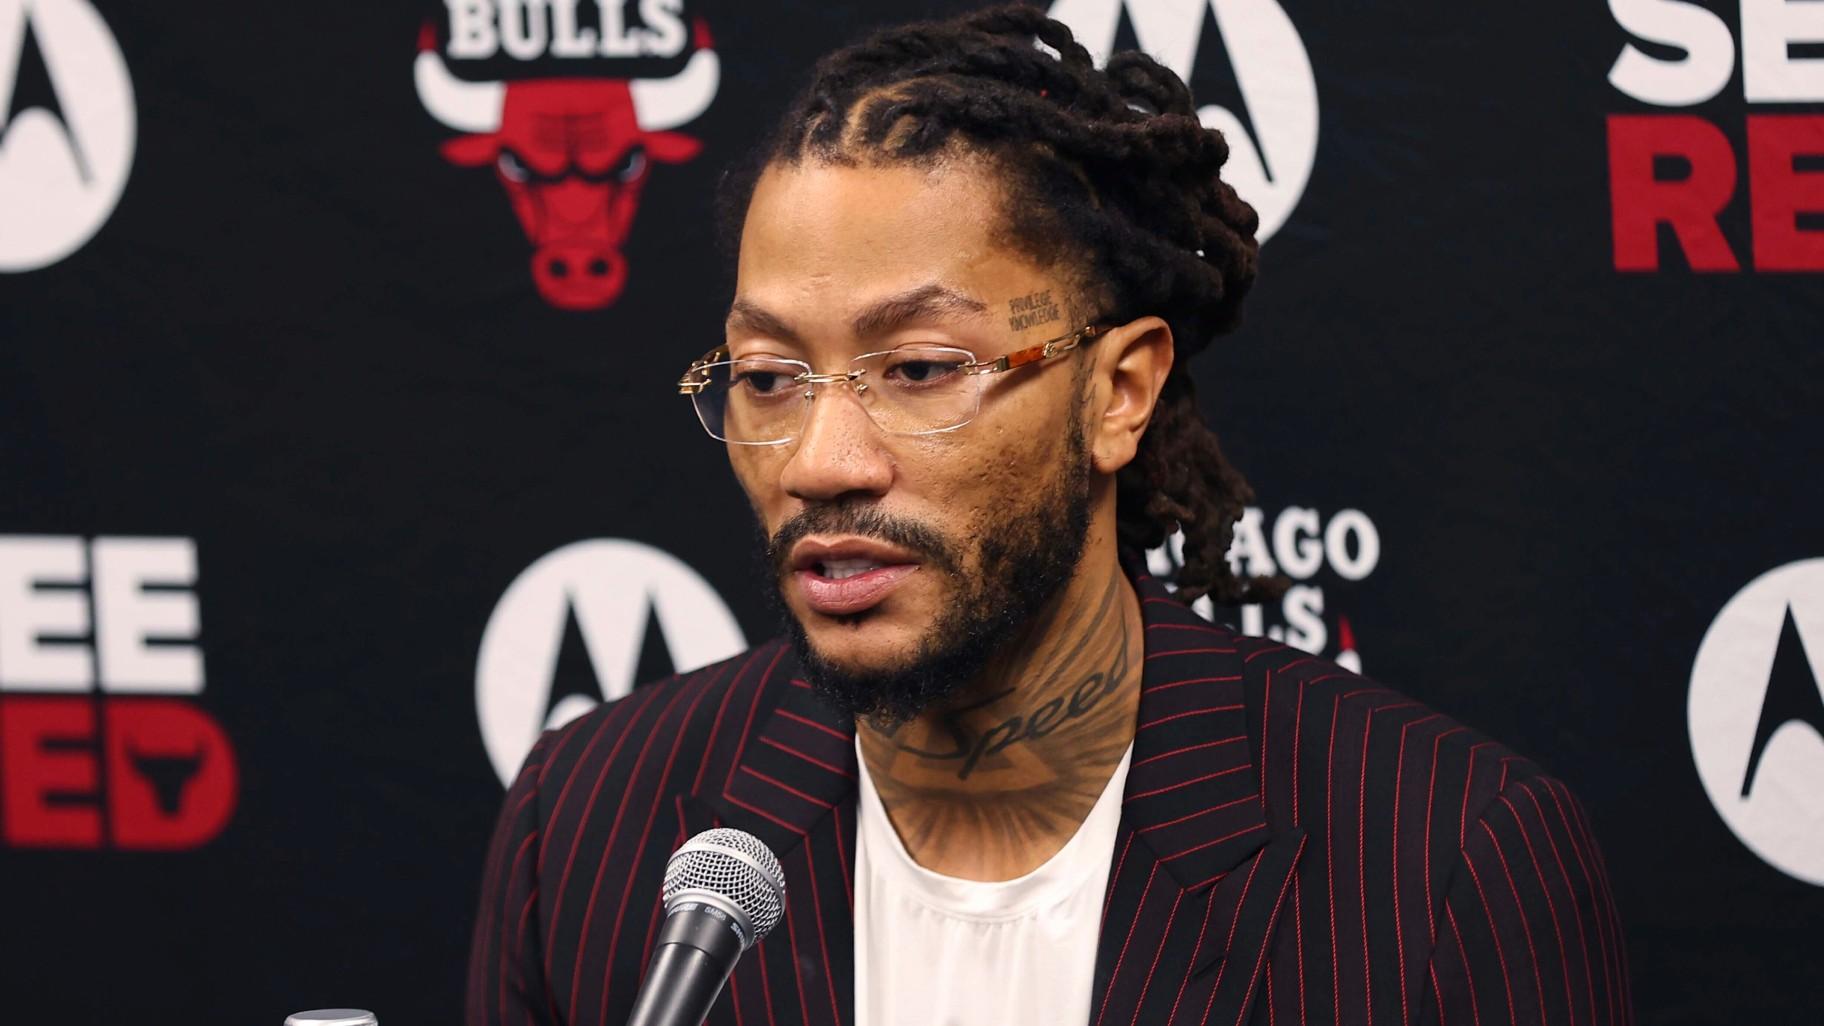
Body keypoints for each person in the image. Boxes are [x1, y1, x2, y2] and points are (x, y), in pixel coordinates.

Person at [466, 6, 1633, 1025]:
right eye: (769, 379)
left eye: (919, 369)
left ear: (1116, 392)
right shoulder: (584, 830)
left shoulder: (1444, 859)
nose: (820, 463)